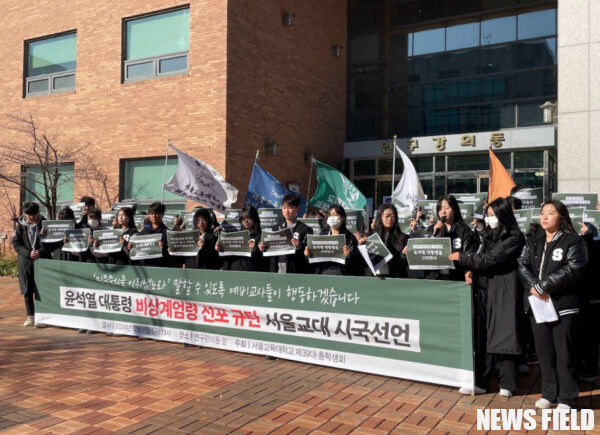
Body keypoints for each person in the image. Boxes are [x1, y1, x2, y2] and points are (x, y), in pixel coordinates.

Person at [449, 197, 526, 396]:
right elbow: (481, 258)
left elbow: (493, 258)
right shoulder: (486, 236)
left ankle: (507, 384)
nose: (490, 219)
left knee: (505, 333)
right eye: (488, 215)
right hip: (484, 288)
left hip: (504, 288)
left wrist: (464, 258)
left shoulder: (515, 237)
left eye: (493, 215)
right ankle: (481, 382)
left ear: (503, 215)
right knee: (482, 335)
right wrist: (471, 271)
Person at [518, 200, 588, 409]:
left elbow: (575, 267)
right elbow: (521, 264)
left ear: (561, 217)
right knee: (544, 353)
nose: (545, 217)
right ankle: (549, 393)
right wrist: (534, 287)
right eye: (542, 213)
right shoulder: (534, 240)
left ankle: (567, 397)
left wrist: (544, 286)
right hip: (537, 305)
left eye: (550, 213)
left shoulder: (573, 241)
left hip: (562, 305)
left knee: (564, 353)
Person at [12, 202, 52, 326]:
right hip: (26, 261)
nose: (32, 218)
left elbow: (52, 243)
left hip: (42, 260)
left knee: (42, 288)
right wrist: (28, 253)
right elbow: (16, 243)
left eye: (34, 214)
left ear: (38, 213)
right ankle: (31, 316)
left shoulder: (45, 224)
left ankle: (42, 317)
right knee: (27, 289)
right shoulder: (20, 226)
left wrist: (40, 252)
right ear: (24, 214)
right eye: (29, 215)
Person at [424, 195, 478, 281]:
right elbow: (425, 252)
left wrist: (467, 270)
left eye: (447, 208)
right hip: (435, 277)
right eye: (440, 209)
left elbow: (469, 254)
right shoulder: (431, 229)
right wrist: (435, 235)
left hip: (456, 276)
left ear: (455, 210)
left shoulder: (464, 231)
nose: (443, 212)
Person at [260, 194, 313, 274]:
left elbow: (309, 253)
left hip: (295, 270)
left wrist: (299, 245)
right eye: (284, 207)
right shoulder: (275, 228)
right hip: (277, 269)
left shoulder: (305, 229)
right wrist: (263, 248)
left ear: (297, 209)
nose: (286, 211)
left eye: (290, 208)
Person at [304, 204, 359, 275]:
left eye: (335, 215)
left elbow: (356, 262)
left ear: (343, 217)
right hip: (323, 274)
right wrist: (307, 255)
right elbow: (314, 261)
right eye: (330, 215)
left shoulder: (350, 237)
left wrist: (348, 256)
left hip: (342, 275)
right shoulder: (321, 235)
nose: (332, 218)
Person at [576, 220, 599, 381]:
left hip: (592, 293)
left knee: (590, 332)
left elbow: (589, 259)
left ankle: (590, 369)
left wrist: (587, 238)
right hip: (582, 293)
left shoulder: (592, 242)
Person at [358, 203, 408, 278]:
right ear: (380, 217)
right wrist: (361, 246)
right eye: (387, 216)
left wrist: (404, 255)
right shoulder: (370, 237)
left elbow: (404, 264)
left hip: (394, 279)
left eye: (393, 216)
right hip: (374, 279)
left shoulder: (402, 237)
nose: (390, 219)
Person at [217, 205, 265, 271]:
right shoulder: (236, 234)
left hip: (251, 273)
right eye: (243, 219)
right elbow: (228, 258)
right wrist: (220, 249)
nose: (246, 221)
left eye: (249, 218)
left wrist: (254, 249)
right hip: (235, 271)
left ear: (254, 219)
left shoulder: (260, 235)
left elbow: (263, 261)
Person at [130, 202, 169, 267]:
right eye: (151, 213)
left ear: (162, 214)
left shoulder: (167, 232)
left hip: (159, 266)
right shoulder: (143, 232)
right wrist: (131, 245)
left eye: (157, 213)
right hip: (143, 267)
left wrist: (164, 247)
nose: (154, 216)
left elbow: (171, 254)